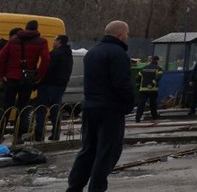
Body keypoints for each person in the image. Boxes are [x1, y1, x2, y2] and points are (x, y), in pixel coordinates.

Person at [67, 20, 136, 192]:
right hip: (110, 110)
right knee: (107, 152)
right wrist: (129, 104)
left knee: (88, 149)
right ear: (121, 34)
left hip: (90, 107)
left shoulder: (92, 53)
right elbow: (122, 83)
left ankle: (74, 186)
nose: (127, 37)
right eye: (127, 34)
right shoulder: (118, 54)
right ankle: (97, 188)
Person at [0, 20, 51, 140]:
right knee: (22, 107)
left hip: (11, 78)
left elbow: (1, 57)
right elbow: (46, 60)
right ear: (36, 28)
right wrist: (39, 76)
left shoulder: (13, 40)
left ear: (26, 28)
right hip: (28, 78)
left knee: (7, 106)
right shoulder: (41, 42)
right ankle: (17, 136)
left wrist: (2, 75)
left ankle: (1, 132)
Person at [33, 34, 72, 141]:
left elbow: (47, 70)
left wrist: (38, 81)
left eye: (54, 40)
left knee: (41, 110)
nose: (53, 42)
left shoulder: (55, 54)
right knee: (55, 110)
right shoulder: (68, 55)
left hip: (48, 85)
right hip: (60, 86)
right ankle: (56, 133)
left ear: (59, 42)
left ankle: (39, 134)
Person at [134, 55, 163, 123]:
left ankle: (137, 118)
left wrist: (139, 87)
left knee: (141, 104)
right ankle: (154, 117)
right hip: (153, 89)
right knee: (153, 104)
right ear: (157, 61)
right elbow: (158, 78)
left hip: (143, 89)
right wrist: (152, 84)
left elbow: (137, 78)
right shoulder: (158, 69)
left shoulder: (143, 68)